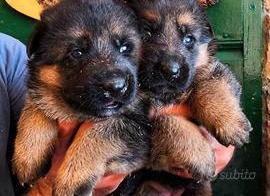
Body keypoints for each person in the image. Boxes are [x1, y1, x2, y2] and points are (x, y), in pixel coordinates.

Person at [0, 33, 234, 196]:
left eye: (123, 48)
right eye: (77, 53)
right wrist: (49, 187)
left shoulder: (8, 56)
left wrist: (220, 127)